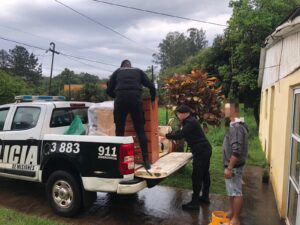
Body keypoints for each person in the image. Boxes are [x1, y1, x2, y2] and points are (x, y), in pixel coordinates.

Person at [106, 59, 156, 170]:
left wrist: (118, 96)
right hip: (135, 100)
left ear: (122, 66)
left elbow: (108, 90)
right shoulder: (138, 71)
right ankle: (146, 161)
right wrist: (152, 99)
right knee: (140, 130)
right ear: (130, 66)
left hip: (120, 101)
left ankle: (119, 160)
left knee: (119, 131)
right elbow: (151, 86)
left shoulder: (117, 72)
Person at [161, 105, 212, 210]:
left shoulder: (190, 122)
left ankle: (195, 203)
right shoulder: (190, 121)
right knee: (204, 174)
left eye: (179, 113)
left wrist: (166, 136)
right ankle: (205, 197)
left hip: (201, 151)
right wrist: (170, 135)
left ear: (184, 113)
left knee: (197, 176)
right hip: (205, 150)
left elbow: (181, 134)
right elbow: (179, 132)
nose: (178, 115)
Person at [222, 117, 248, 225]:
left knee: (236, 192)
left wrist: (229, 168)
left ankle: (236, 218)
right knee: (231, 190)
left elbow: (236, 151)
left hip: (234, 167)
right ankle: (232, 211)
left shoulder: (236, 128)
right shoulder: (237, 125)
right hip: (233, 166)